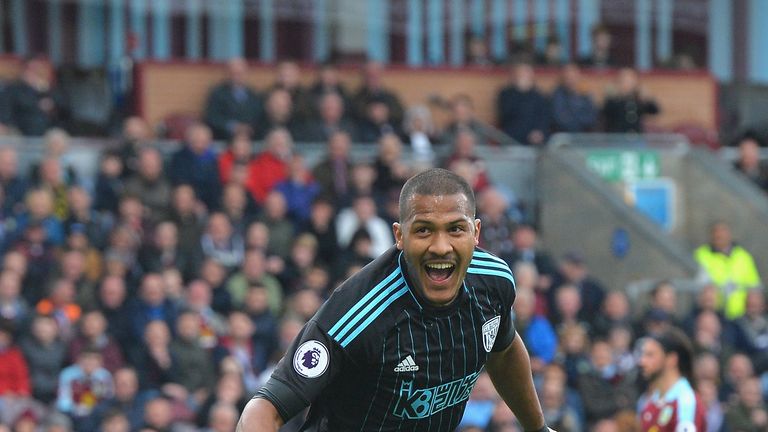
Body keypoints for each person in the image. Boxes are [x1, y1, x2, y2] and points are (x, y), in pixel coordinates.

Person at [237, 168, 552, 431]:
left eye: (455, 229)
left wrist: (538, 429)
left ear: (476, 232)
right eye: (424, 230)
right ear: (400, 236)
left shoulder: (495, 281)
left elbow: (505, 349)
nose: (441, 247)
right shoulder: (356, 312)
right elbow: (266, 407)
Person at [637, 327, 707, 432]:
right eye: (643, 355)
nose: (642, 361)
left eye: (650, 355)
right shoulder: (651, 403)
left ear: (671, 359)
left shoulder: (685, 402)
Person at [693, 221, 761, 319]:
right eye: (716, 232)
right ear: (711, 235)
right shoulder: (701, 255)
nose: (720, 235)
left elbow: (754, 286)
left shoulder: (744, 256)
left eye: (723, 232)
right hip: (715, 315)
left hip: (742, 315)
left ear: (729, 234)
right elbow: (698, 286)